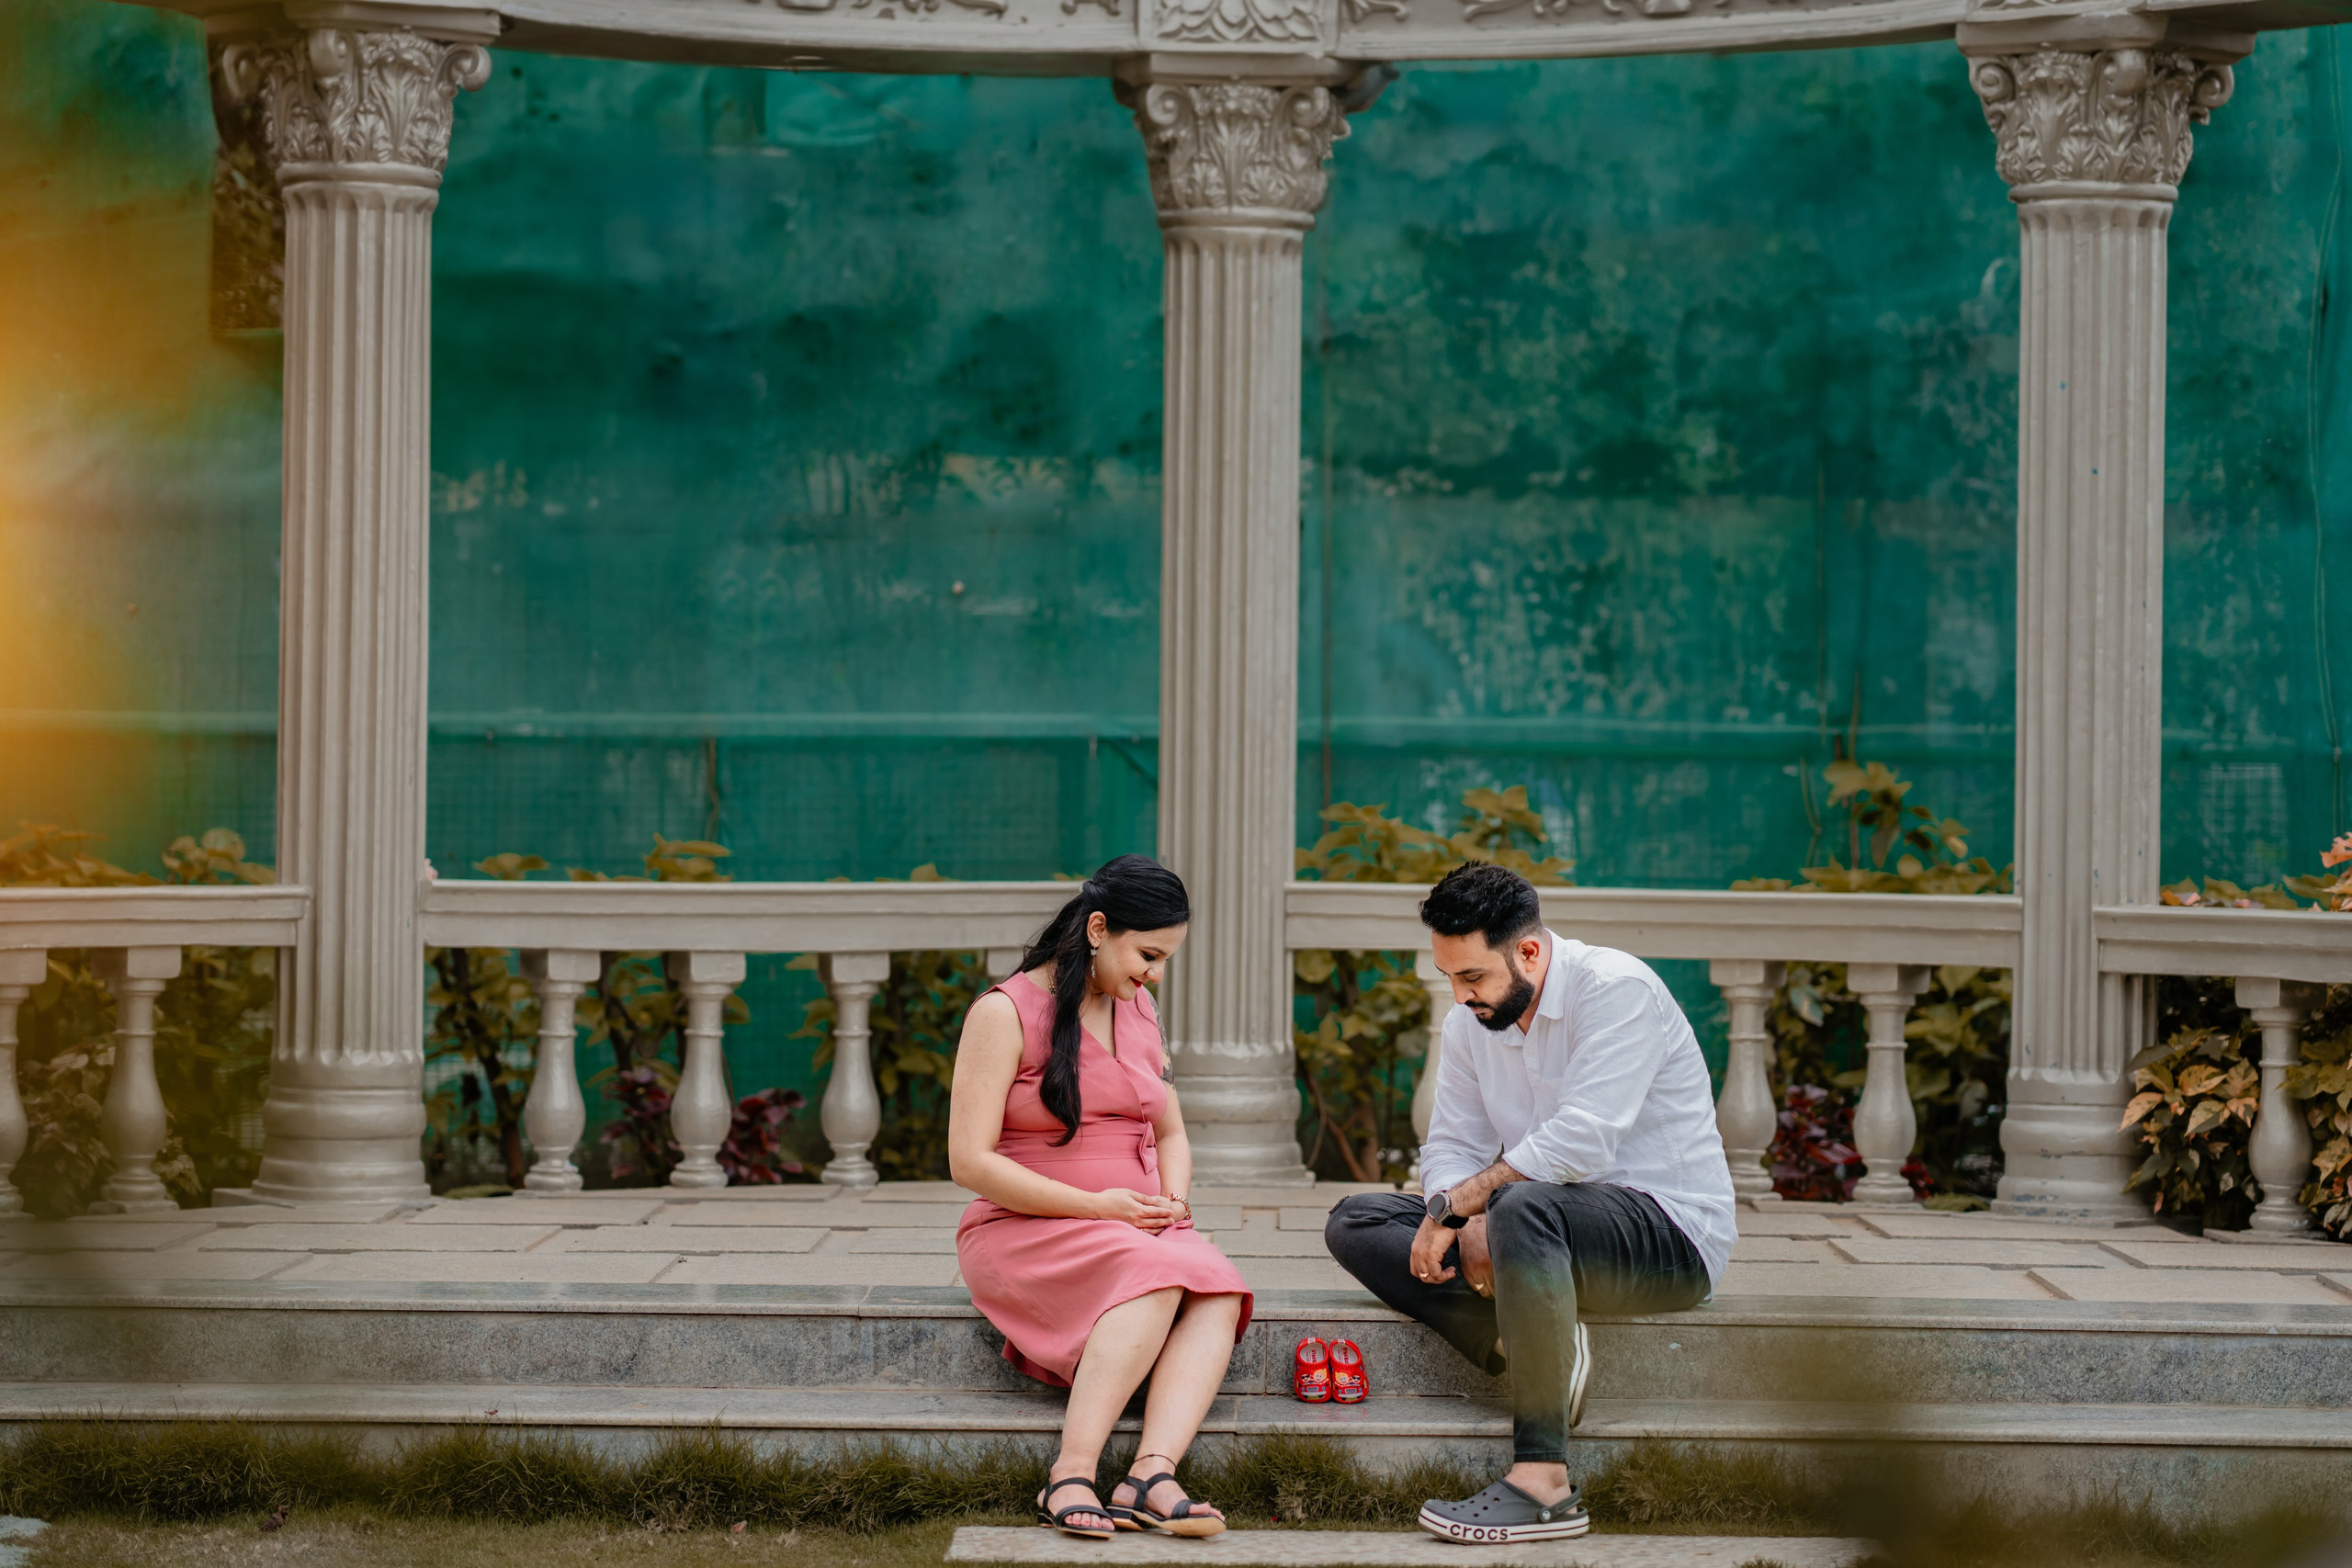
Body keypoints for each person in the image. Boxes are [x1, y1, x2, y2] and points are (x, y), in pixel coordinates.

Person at [1323, 863, 1734, 1544]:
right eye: (1449, 977)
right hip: (1538, 1231)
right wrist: (1454, 1209)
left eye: (1473, 977)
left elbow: (1583, 1144)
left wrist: (1470, 1208)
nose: (1459, 997)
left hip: (1668, 1235)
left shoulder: (1617, 989)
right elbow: (1450, 1146)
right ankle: (1533, 1338)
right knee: (1356, 1221)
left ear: (1531, 952)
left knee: (1518, 1206)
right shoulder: (1470, 1026)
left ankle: (1544, 1485)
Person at [950, 854, 1251, 1542]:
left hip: (1131, 1222)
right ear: (1096, 928)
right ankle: (1071, 1470)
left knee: (1219, 1287)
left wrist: (1170, 1199)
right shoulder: (1003, 1012)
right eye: (1149, 953)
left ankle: (1151, 1472)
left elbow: (1171, 1128)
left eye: (1165, 957)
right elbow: (968, 1160)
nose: (1156, 974)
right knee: (1155, 1274)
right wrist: (1103, 1207)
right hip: (1025, 1221)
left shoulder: (1137, 1005)